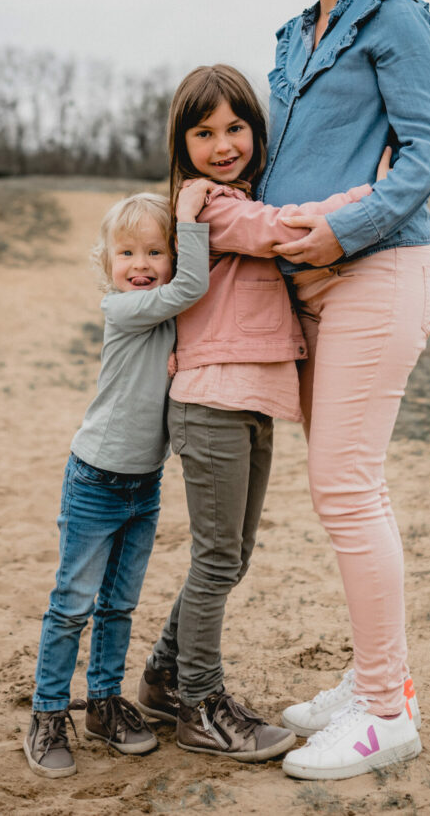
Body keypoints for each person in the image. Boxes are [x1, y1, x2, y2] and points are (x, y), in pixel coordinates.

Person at [261, 0, 430, 782]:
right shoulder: (294, 35)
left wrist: (345, 227)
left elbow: (428, 148)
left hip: (379, 270)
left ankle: (385, 714)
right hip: (307, 288)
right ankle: (379, 680)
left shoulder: (396, 15)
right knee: (344, 489)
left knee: (346, 488)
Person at [135, 64, 378, 763]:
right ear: (182, 145)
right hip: (212, 400)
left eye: (236, 127)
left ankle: (162, 675)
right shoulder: (207, 205)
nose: (222, 143)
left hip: (249, 401)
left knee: (231, 558)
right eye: (203, 132)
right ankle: (200, 704)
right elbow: (276, 231)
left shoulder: (239, 194)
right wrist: (377, 192)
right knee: (217, 562)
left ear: (256, 131)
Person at [23, 186, 211, 779]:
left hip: (144, 484)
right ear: (107, 264)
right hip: (96, 481)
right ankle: (49, 712)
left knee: (120, 605)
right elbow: (192, 288)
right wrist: (189, 221)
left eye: (156, 252)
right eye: (126, 253)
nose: (140, 265)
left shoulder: (167, 317)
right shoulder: (122, 309)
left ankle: (104, 704)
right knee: (71, 606)